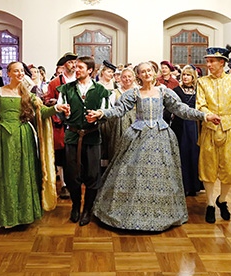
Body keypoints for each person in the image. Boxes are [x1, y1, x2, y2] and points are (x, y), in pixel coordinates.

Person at [87, 62, 207, 231]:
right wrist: (101, 113)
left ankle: (162, 214)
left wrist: (204, 116)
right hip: (138, 135)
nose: (147, 73)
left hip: (161, 136)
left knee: (161, 176)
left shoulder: (164, 92)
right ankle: (130, 215)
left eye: (149, 70)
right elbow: (119, 110)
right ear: (139, 76)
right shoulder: (134, 93)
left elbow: (181, 109)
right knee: (131, 174)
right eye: (143, 72)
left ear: (154, 72)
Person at [0, 62, 66, 228]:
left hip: (24, 137)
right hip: (3, 138)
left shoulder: (28, 95)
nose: (19, 74)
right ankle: (6, 216)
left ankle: (24, 215)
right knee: (5, 174)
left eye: (21, 71)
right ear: (9, 73)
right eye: (16, 71)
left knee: (24, 174)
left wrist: (56, 108)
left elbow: (42, 112)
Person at [196, 46, 231, 224]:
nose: (208, 64)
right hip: (209, 129)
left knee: (229, 169)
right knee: (208, 168)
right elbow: (200, 104)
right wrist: (208, 115)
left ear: (222, 62)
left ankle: (223, 200)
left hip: (228, 129)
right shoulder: (202, 82)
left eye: (212, 61)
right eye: (207, 61)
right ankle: (210, 204)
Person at [57, 56, 111, 226]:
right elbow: (59, 108)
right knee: (72, 175)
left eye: (80, 67)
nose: (76, 69)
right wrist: (63, 113)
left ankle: (88, 209)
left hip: (92, 137)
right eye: (75, 66)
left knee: (92, 175)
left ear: (90, 71)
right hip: (73, 137)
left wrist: (97, 116)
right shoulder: (66, 89)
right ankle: (75, 207)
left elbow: (106, 112)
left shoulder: (101, 90)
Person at [45, 52, 78, 200]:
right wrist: (53, 102)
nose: (73, 65)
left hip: (77, 122)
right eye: (70, 62)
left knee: (76, 154)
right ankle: (64, 184)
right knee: (61, 155)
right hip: (60, 124)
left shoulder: (81, 80)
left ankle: (75, 182)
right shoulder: (54, 83)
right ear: (64, 65)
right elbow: (47, 100)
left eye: (75, 62)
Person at [170, 65, 203, 197]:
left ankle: (194, 185)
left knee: (194, 153)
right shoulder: (176, 90)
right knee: (181, 154)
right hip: (180, 125)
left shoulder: (198, 91)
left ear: (193, 77)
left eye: (188, 75)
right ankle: (182, 185)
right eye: (184, 75)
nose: (185, 77)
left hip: (194, 126)